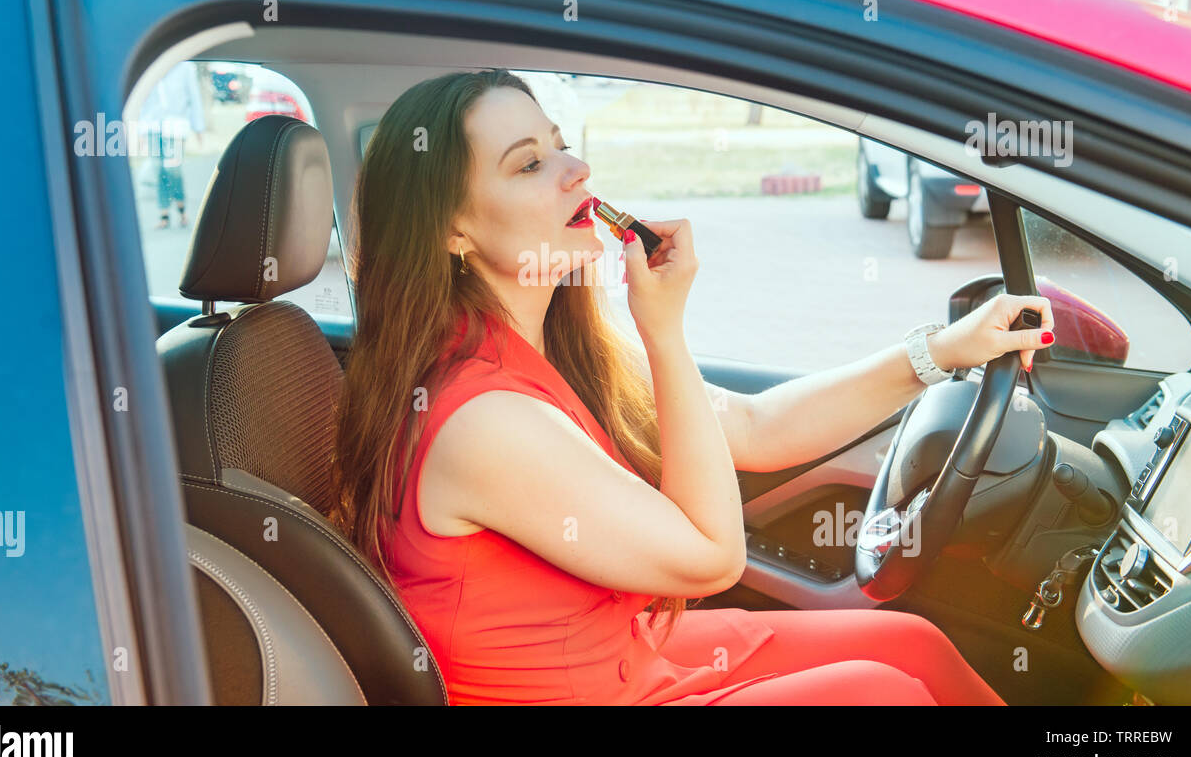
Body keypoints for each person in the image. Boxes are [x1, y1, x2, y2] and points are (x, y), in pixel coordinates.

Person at [328, 69, 1055, 705]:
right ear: (453, 230)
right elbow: (712, 557)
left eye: (560, 143)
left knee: (913, 646)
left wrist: (943, 349)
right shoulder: (481, 419)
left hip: (631, 658)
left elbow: (752, 426)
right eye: (528, 165)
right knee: (885, 695)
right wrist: (665, 330)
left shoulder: (546, 347)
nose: (575, 168)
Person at [139, 60, 205, 229]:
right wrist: (140, 131)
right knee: (157, 170)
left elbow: (194, 98)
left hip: (175, 126)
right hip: (152, 126)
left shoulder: (184, 68)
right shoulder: (149, 66)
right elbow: (143, 100)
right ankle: (164, 214)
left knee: (172, 168)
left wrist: (199, 129)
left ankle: (182, 210)